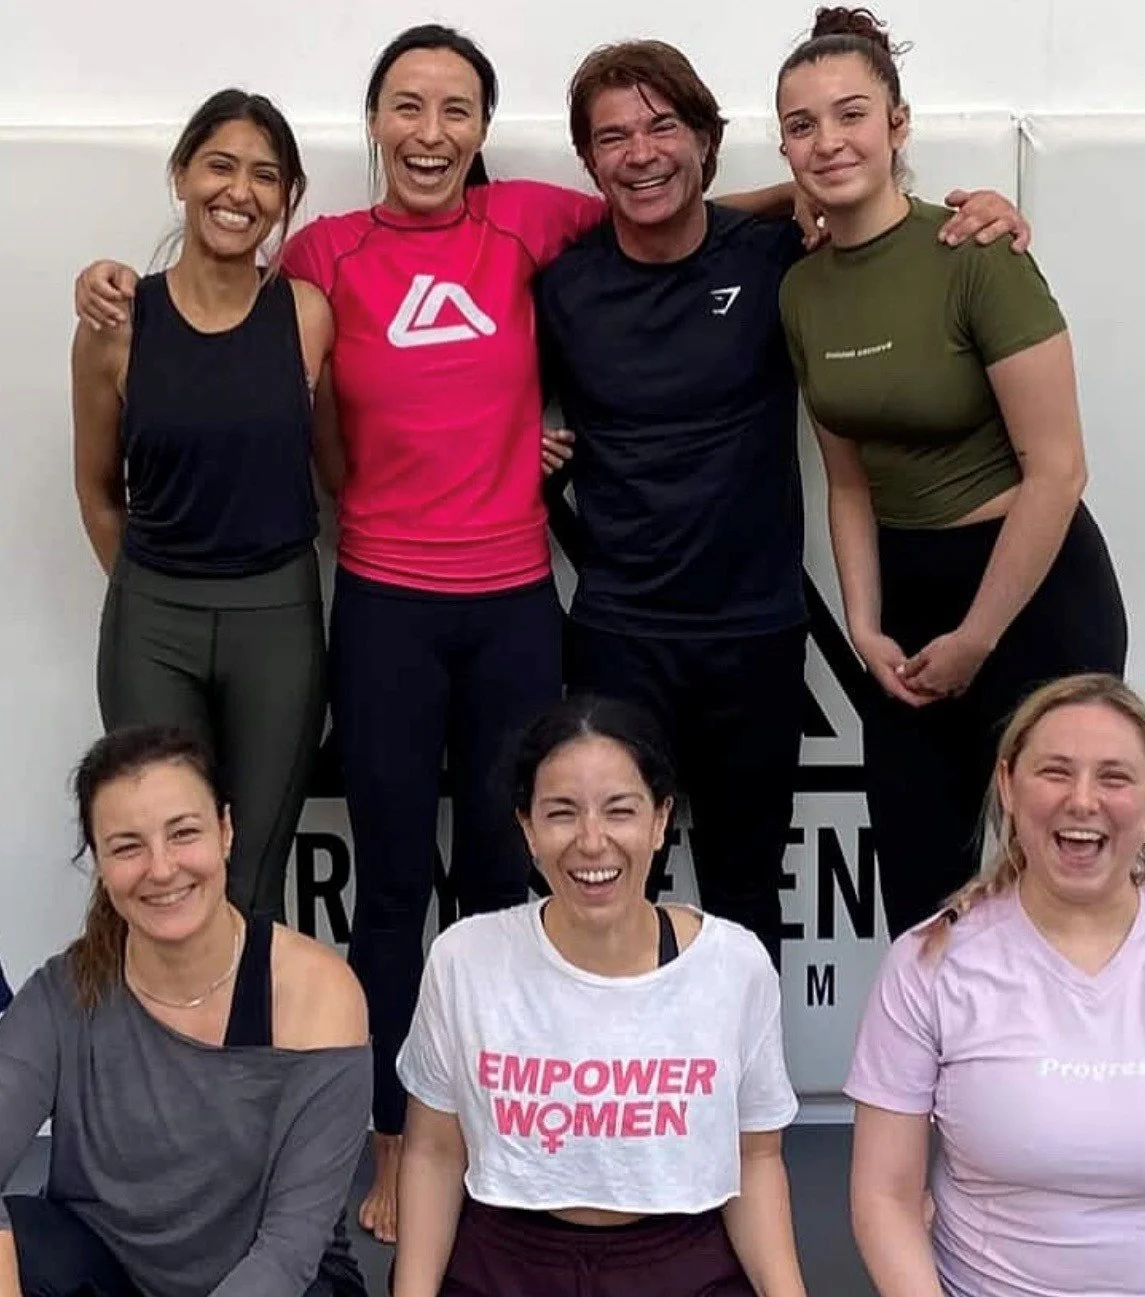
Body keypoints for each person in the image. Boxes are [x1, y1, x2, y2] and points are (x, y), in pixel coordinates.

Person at [72, 23, 813, 1244]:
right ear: (373, 124)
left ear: (481, 128)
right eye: (407, 107)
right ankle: (384, 1140)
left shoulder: (531, 218)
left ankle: (498, 1138)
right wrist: (104, 281)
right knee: (391, 890)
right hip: (382, 605)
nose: (430, 132)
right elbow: (214, 329)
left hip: (516, 604)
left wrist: (850, 191)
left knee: (497, 887)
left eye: (456, 109)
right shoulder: (317, 253)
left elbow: (672, 202)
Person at [535, 38, 1030, 970]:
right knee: (606, 886)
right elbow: (474, 398)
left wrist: (982, 207)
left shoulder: (778, 260)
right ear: (588, 160)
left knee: (744, 890)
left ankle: (745, 1119)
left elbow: (872, 222)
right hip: (619, 630)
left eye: (661, 127)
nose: (640, 152)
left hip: (755, 632)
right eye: (612, 137)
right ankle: (632, 1112)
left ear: (707, 142)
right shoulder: (563, 290)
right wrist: (516, 439)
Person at [776, 7, 1128, 939]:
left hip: (1033, 590)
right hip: (909, 599)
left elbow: (1057, 469)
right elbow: (846, 480)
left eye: (851, 115)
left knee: (1057, 881)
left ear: (897, 125)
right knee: (921, 892)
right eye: (802, 126)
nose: (828, 141)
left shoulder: (978, 255)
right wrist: (861, 625)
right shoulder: (801, 288)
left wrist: (979, 634)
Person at [846, 672, 1145, 1297]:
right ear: (1007, 785)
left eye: (1114, 777)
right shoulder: (930, 962)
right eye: (1055, 772)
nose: (1083, 800)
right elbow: (884, 1196)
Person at [391, 694, 805, 1297]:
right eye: (561, 813)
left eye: (620, 811)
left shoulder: (734, 965)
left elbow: (757, 1158)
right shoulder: (465, 959)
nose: (592, 842)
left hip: (683, 1261)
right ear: (527, 827)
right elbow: (432, 1153)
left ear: (660, 820)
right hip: (505, 1261)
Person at [72, 89, 333, 923]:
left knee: (248, 878)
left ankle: (240, 1053)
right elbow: (95, 488)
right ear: (181, 174)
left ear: (287, 197)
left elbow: (340, 460)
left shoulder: (305, 313)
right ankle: (142, 1054)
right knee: (156, 873)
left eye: (265, 175)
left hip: (278, 618)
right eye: (220, 165)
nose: (239, 191)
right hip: (154, 619)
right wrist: (153, 598)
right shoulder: (117, 322)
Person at [0, 724, 371, 1297]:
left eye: (183, 834)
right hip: (107, 1273)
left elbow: (288, 1250)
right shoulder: (64, 992)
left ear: (225, 831)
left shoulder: (317, 993)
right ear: (99, 862)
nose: (162, 868)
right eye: (127, 846)